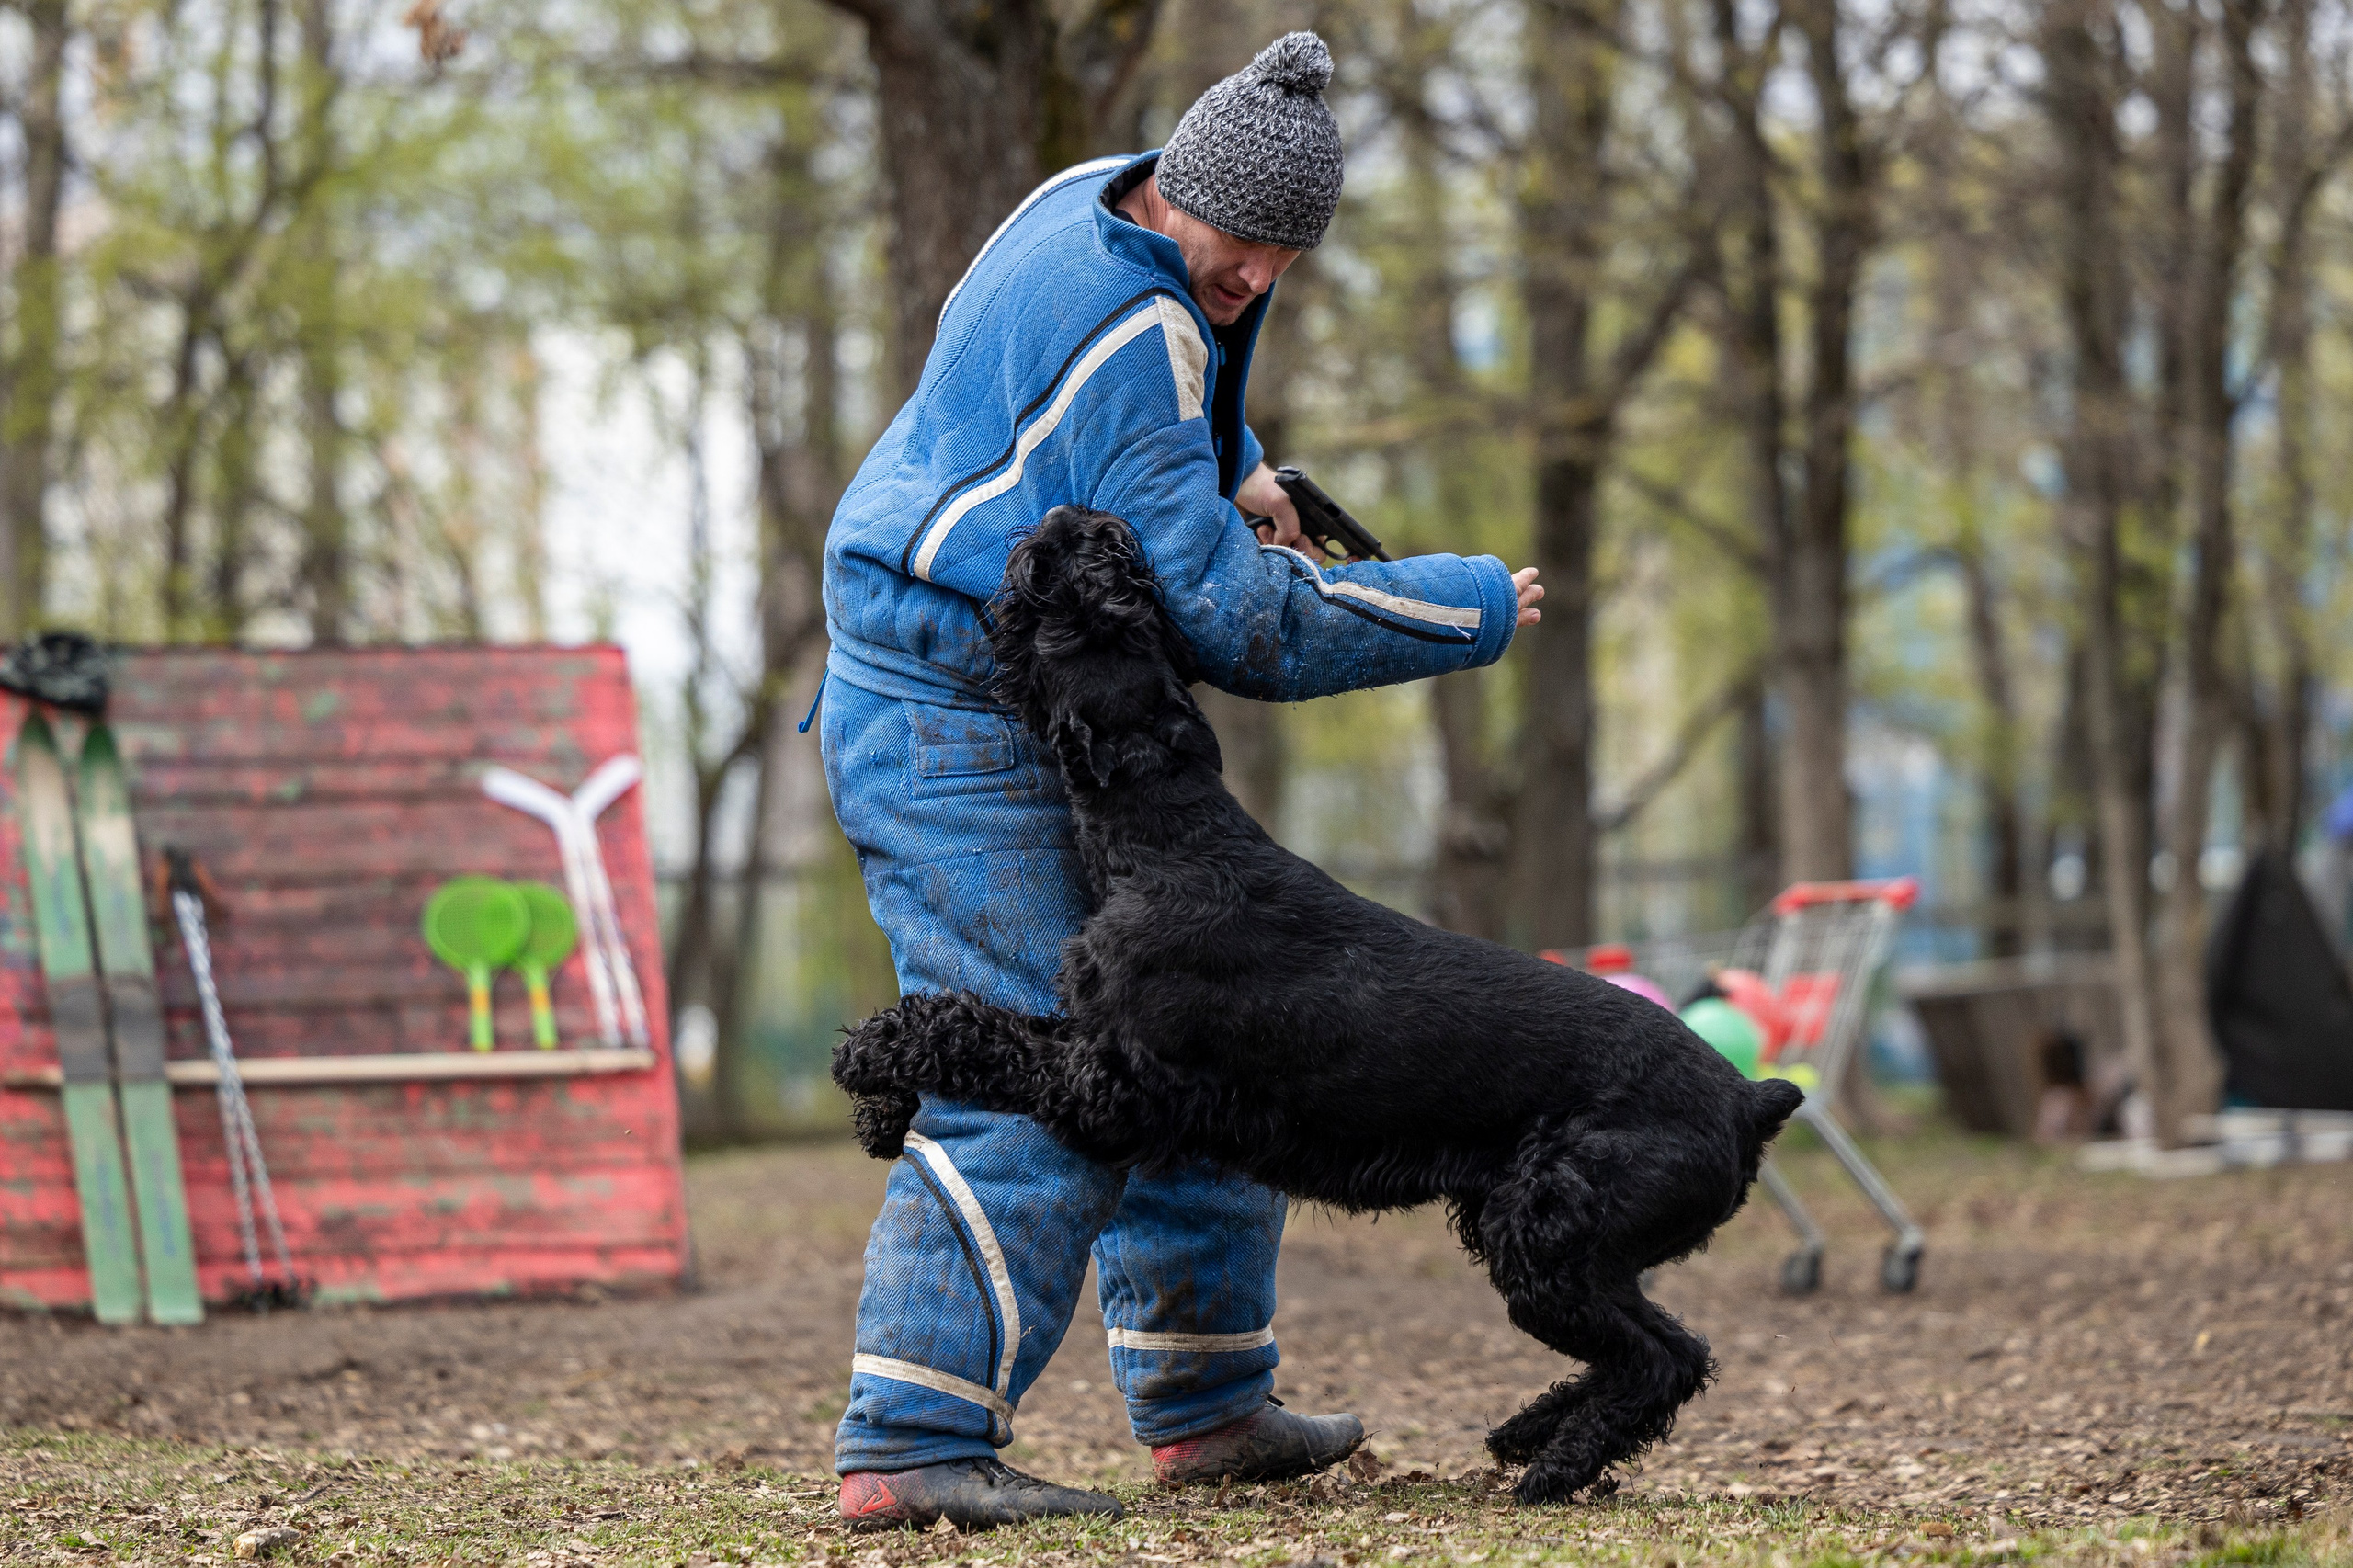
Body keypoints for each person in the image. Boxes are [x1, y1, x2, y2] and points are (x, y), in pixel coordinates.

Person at [816, 30, 1544, 1529]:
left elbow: (1140, 417)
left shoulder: (1088, 195)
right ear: (1178, 200)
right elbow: (1238, 620)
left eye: (1287, 257)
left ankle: (1209, 1403)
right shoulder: (1134, 326)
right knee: (1031, 1061)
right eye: (1241, 247)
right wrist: (1466, 603)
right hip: (949, 717)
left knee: (1207, 1028)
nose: (1257, 278)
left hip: (1010, 689)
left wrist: (1236, 469)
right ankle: (909, 1435)